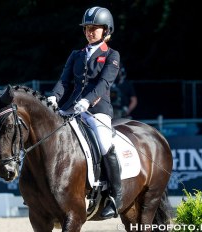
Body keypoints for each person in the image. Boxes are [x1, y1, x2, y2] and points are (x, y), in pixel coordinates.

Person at [47, 6, 122, 219]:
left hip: (97, 109)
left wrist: (87, 102)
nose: (89, 32)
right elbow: (64, 80)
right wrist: (54, 96)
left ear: (106, 30)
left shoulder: (112, 55)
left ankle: (115, 196)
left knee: (105, 142)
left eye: (94, 28)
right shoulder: (76, 55)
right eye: (87, 28)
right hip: (71, 107)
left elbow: (104, 83)